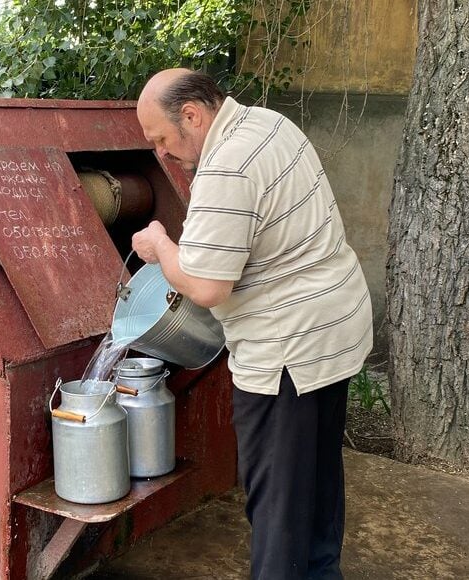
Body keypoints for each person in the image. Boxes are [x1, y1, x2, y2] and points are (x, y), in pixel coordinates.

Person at [131, 68, 373, 580]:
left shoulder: (228, 165)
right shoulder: (267, 124)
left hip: (288, 350)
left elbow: (205, 285)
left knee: (278, 504)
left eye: (161, 138)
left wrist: (160, 247)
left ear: (192, 116)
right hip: (333, 332)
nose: (161, 153)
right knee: (317, 481)